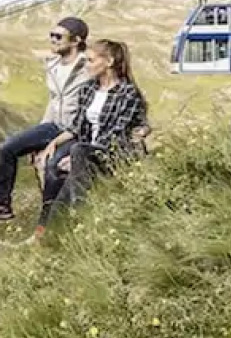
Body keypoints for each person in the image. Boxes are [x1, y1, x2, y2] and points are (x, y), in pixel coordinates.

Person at [0, 15, 94, 223]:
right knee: (7, 148)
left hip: (74, 130)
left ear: (76, 41)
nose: (53, 40)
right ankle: (1, 204)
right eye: (51, 35)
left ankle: (52, 218)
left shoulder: (88, 68)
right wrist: (39, 136)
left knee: (49, 166)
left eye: (58, 36)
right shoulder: (53, 65)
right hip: (53, 125)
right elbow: (53, 100)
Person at [32, 38, 149, 239]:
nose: (86, 65)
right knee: (57, 173)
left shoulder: (127, 93)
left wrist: (81, 156)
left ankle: (79, 216)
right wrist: (54, 143)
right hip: (89, 150)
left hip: (114, 152)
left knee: (77, 151)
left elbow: (117, 133)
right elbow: (77, 126)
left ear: (109, 62)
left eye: (91, 61)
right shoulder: (88, 89)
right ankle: (46, 234)